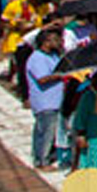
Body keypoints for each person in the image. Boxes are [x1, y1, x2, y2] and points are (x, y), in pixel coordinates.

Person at [24, 26, 67, 169]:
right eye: (55, 40)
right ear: (46, 42)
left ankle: (40, 156)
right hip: (45, 102)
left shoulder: (54, 56)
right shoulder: (37, 58)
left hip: (55, 100)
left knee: (45, 131)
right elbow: (42, 79)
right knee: (46, 132)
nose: (59, 42)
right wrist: (61, 75)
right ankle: (42, 161)